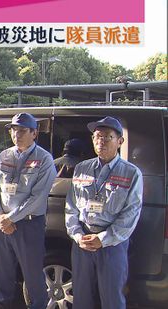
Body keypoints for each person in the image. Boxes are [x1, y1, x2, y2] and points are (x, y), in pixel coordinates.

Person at [65, 116, 143, 309]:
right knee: (81, 296)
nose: (101, 141)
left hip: (112, 244)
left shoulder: (131, 173)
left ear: (120, 141)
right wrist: (77, 234)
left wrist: (103, 238)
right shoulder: (82, 168)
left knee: (112, 299)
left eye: (108, 137)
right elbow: (71, 206)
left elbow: (130, 214)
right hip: (82, 241)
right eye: (97, 136)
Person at [0, 113, 56, 309]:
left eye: (22, 130)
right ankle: (3, 305)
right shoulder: (4, 155)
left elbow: (38, 197)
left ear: (34, 133)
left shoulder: (44, 159)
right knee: (2, 272)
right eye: (13, 130)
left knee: (32, 274)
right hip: (2, 224)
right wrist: (0, 216)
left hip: (28, 223)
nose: (16, 134)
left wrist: (10, 218)